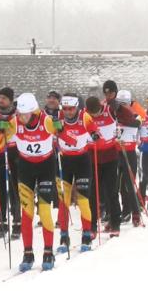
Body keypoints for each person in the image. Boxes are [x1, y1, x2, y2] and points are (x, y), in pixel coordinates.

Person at [0, 93, 57, 271]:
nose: (21, 118)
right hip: (26, 168)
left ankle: (48, 251)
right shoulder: (15, 123)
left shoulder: (46, 121)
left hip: (46, 167)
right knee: (27, 213)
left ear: (33, 111)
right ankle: (28, 253)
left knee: (44, 211)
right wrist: (1, 132)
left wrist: (59, 127)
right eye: (20, 114)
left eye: (25, 114)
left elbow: (66, 135)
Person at [55, 94, 95, 253]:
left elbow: (95, 132)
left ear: (77, 107)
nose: (67, 112)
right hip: (64, 161)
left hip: (82, 161)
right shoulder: (58, 118)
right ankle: (64, 236)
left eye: (71, 109)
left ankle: (86, 235)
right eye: (64, 108)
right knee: (63, 201)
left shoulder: (84, 117)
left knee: (83, 200)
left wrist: (94, 135)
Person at [85, 96, 122, 235]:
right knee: (93, 193)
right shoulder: (85, 115)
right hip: (92, 157)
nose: (94, 116)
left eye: (96, 112)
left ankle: (115, 223)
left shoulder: (110, 110)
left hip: (110, 156)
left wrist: (119, 106)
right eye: (92, 113)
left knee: (111, 191)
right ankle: (92, 225)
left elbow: (129, 116)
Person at [0, 87, 21, 240]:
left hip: (15, 153)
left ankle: (17, 222)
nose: (1, 100)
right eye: (0, 97)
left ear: (10, 100)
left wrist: (6, 127)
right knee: (1, 190)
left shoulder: (17, 113)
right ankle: (2, 223)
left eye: (4, 98)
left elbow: (21, 128)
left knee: (15, 189)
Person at [113, 89, 143, 226]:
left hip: (129, 153)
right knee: (117, 186)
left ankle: (135, 213)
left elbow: (136, 123)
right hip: (116, 153)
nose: (122, 106)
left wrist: (122, 119)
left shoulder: (136, 115)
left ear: (130, 103)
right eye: (119, 103)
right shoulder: (114, 115)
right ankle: (124, 212)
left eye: (124, 103)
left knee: (129, 185)